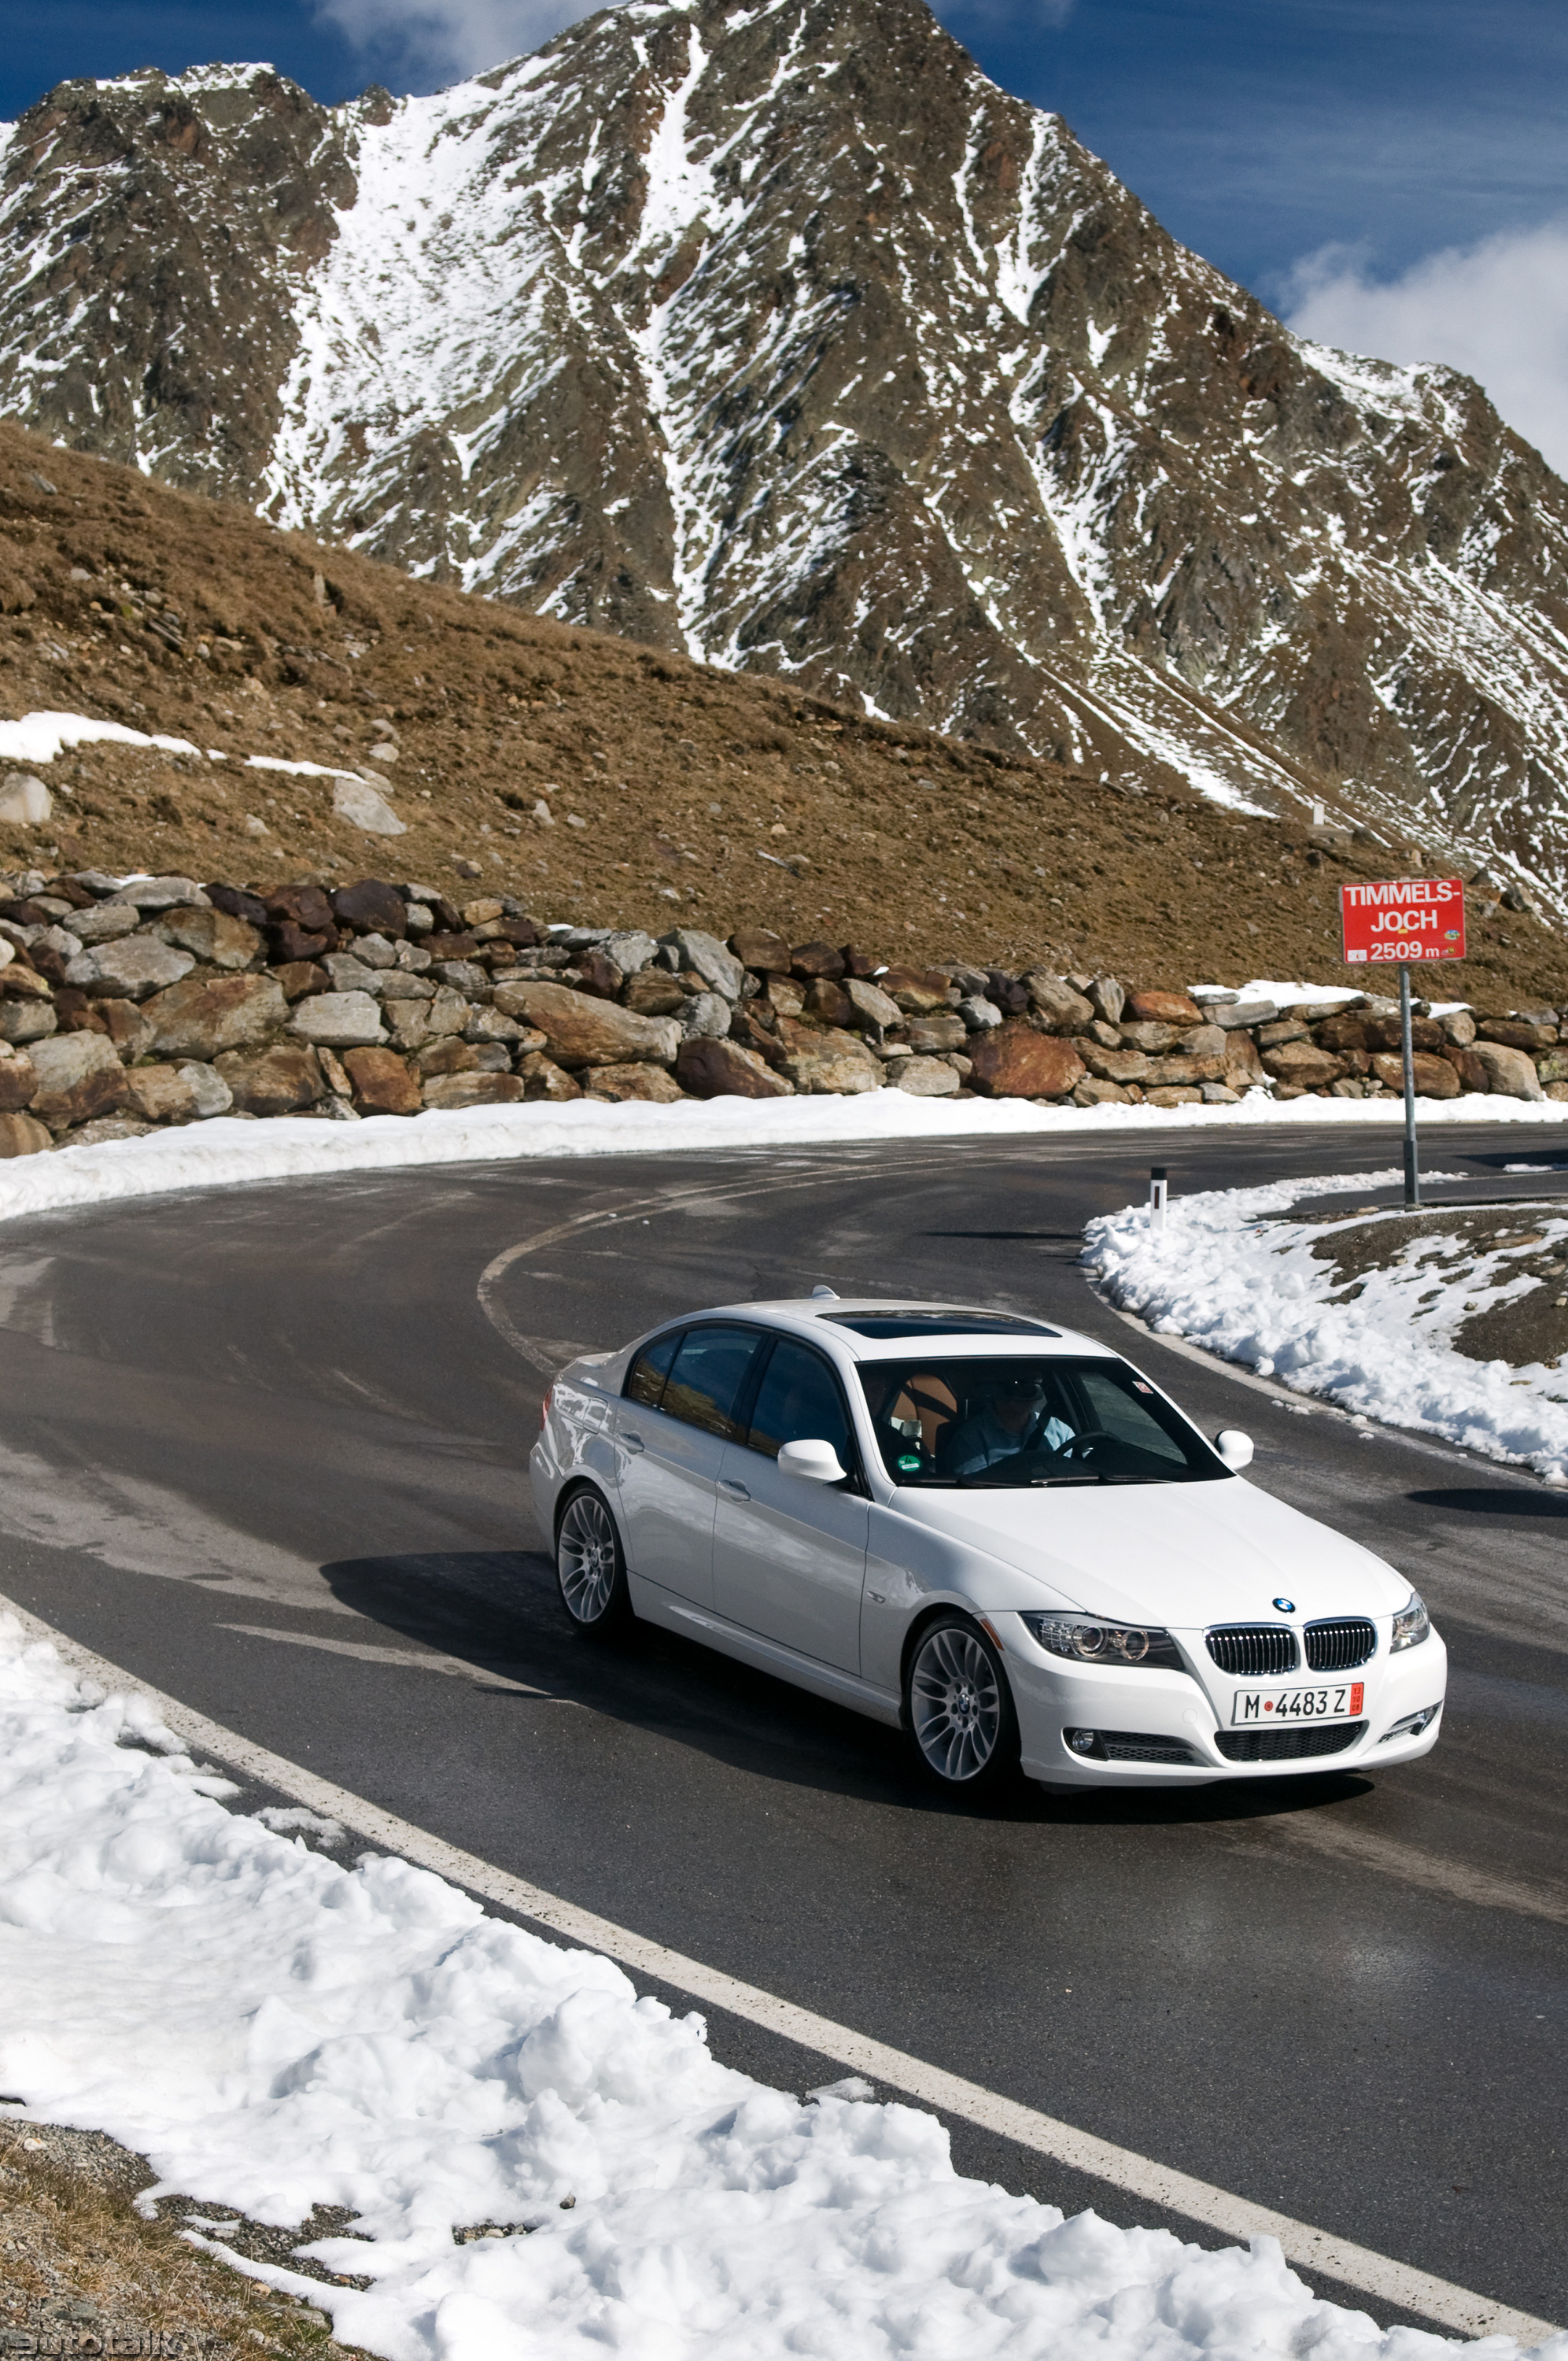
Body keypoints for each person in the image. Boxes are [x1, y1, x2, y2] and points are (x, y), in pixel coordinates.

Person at [943, 1372, 1072, 1476]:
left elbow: (1080, 1472)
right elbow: (975, 1490)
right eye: (1019, 1383)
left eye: (1035, 1382)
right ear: (995, 1389)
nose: (1030, 1390)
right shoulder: (972, 1436)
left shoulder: (1061, 1430)